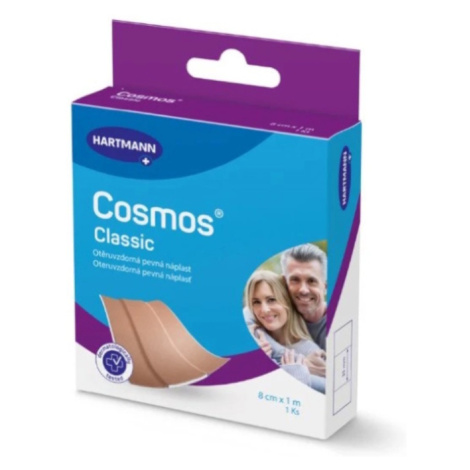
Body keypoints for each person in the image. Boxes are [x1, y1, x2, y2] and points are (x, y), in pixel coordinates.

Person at [245, 270, 326, 393]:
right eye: (256, 302)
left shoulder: (312, 352)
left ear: (286, 300)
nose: (264, 309)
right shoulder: (253, 334)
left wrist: (297, 375)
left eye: (271, 299)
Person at [280, 244, 327, 350]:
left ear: (325, 287)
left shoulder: (337, 325)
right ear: (284, 282)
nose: (303, 290)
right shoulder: (274, 317)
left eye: (311, 281)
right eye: (295, 280)